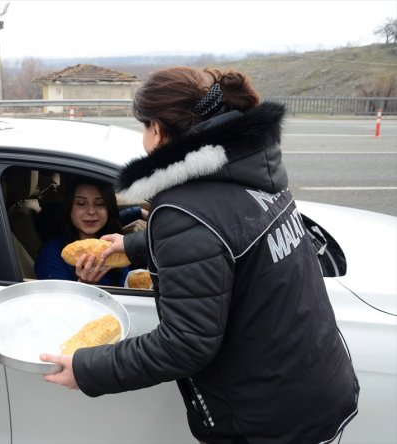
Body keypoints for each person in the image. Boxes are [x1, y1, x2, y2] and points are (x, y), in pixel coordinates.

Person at [40, 66, 359, 443]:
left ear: (157, 130)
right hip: (315, 382)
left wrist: (88, 369)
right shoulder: (252, 171)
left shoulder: (184, 207)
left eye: (143, 128)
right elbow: (230, 235)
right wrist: (132, 245)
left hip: (268, 420)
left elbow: (186, 342)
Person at [34, 178, 129, 286]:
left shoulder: (116, 246)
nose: (91, 211)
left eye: (100, 204)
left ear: (109, 209)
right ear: (69, 208)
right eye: (81, 203)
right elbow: (57, 300)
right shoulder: (52, 253)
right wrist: (84, 284)